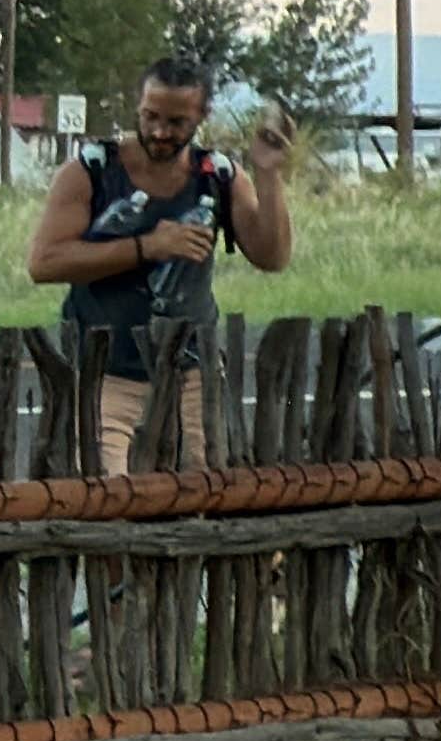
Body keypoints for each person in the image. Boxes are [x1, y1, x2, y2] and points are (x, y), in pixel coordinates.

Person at [22, 60, 292, 473]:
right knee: (107, 496)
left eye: (177, 121)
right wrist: (148, 246)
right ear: (139, 106)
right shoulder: (92, 171)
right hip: (107, 375)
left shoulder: (217, 176)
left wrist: (269, 175)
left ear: (203, 116)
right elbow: (44, 262)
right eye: (151, 117)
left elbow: (271, 257)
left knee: (203, 494)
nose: (161, 132)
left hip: (192, 375)